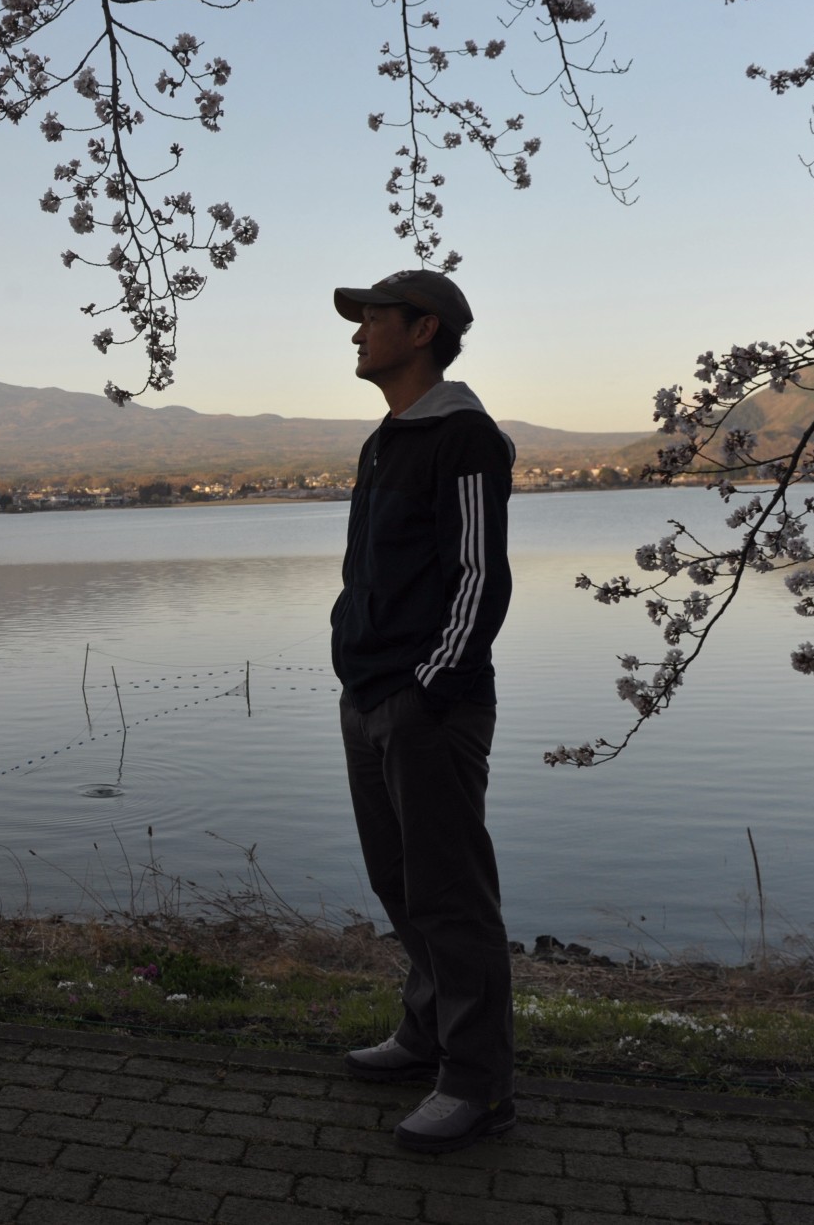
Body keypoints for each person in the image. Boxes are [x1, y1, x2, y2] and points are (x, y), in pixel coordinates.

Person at [328, 269, 517, 1154]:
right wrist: (354, 664)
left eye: (373, 319)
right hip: (367, 693)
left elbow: (480, 574)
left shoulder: (465, 438)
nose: (358, 333)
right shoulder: (385, 439)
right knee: (398, 881)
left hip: (425, 703)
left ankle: (476, 1083)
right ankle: (427, 1031)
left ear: (422, 329)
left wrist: (428, 685)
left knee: (451, 891)